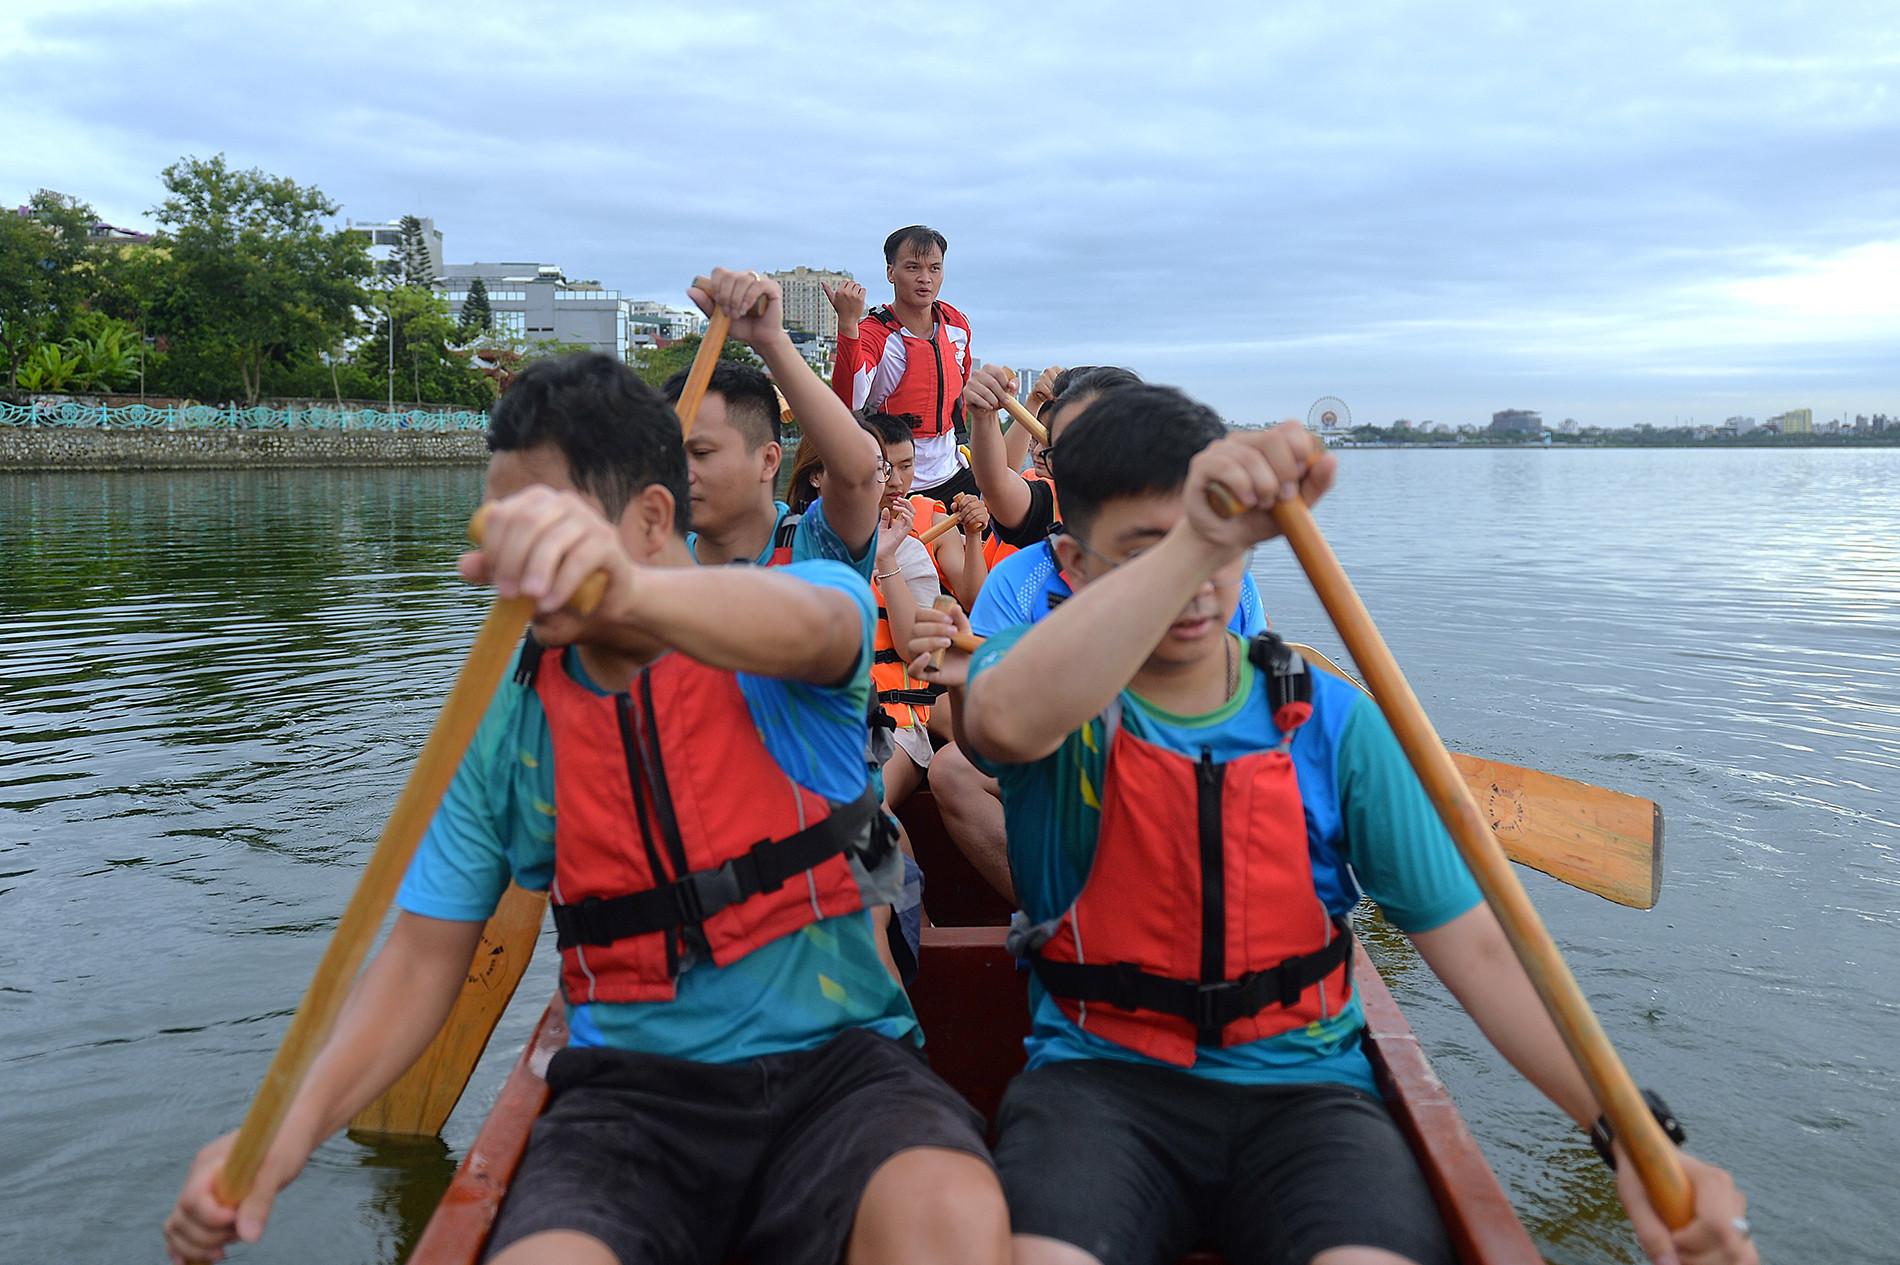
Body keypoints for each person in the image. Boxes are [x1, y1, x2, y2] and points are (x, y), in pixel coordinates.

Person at [162, 354, 1009, 1265]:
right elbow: (417, 959)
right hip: (632, 1097)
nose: (518, 559)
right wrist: (280, 1138)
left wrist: (624, 592)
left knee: (950, 1215)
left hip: (841, 1068)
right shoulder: (509, 721)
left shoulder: (806, 595)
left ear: (651, 518)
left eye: (547, 527)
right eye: (504, 525)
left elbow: (825, 632)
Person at [906, 385, 1758, 1265]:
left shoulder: (1334, 726)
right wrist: (1203, 530)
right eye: (1145, 552)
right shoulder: (1035, 676)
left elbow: (1484, 953)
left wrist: (1628, 1132)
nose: (1195, 586)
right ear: (1073, 570)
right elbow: (1000, 725)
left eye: (1219, 547)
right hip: (1099, 1087)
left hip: (1305, 1093)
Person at [927, 366, 1271, 902]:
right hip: (1065, 786)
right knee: (959, 764)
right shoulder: (1022, 576)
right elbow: (979, 740)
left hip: (1196, 792)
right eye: (1071, 455)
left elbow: (1258, 711)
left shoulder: (1223, 577)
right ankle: (1057, 916)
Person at [672, 270, 881, 579]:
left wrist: (770, 342)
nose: (681, 473)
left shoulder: (818, 545)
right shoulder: (655, 561)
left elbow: (859, 476)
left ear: (769, 461)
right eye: (671, 455)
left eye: (701, 453)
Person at [825, 226, 977, 505]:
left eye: (934, 268)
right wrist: (847, 324)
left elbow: (963, 388)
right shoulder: (874, 333)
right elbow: (848, 401)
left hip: (953, 471)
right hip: (895, 483)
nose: (925, 279)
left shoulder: (957, 324)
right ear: (890, 273)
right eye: (912, 268)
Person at [865, 410, 988, 610]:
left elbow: (973, 601)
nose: (896, 482)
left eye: (906, 466)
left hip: (920, 634)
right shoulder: (835, 524)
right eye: (884, 468)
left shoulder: (936, 522)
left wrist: (973, 534)